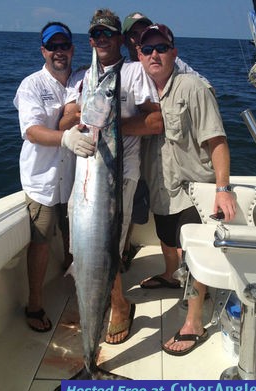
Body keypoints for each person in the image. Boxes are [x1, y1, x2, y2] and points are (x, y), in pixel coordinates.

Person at [59, 9, 163, 345]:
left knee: (108, 249)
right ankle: (96, 328)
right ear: (90, 40)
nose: (101, 39)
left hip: (119, 177)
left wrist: (110, 125)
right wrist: (69, 131)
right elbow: (67, 120)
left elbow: (156, 121)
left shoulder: (134, 73)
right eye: (95, 35)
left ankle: (119, 307)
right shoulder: (83, 77)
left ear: (120, 38)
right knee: (82, 250)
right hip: (84, 179)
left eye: (108, 33)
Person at [136, 23, 237, 355]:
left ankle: (193, 322)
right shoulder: (142, 93)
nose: (154, 54)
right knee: (167, 240)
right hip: (161, 190)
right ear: (138, 55)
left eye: (161, 48)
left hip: (195, 190)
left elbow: (217, 141)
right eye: (147, 49)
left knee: (194, 257)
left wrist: (223, 189)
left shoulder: (193, 87)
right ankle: (169, 274)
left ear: (173, 52)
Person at [14, 22, 78, 332]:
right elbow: (32, 131)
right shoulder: (32, 85)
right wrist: (65, 138)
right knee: (40, 242)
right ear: (43, 51)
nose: (58, 52)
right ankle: (35, 304)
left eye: (63, 45)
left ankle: (75, 280)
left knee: (73, 236)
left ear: (72, 49)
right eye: (52, 47)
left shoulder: (80, 81)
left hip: (76, 179)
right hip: (42, 180)